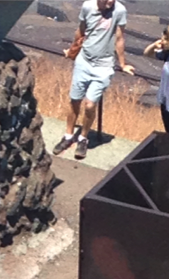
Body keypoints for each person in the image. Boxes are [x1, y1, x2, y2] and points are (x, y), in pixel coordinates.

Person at [53, 0, 134, 161]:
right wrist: (71, 51)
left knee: (90, 104)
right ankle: (68, 135)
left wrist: (122, 64)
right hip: (84, 61)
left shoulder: (120, 11)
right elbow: (81, 31)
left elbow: (119, 38)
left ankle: (83, 137)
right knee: (75, 100)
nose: (110, 1)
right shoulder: (88, 7)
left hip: (104, 66)